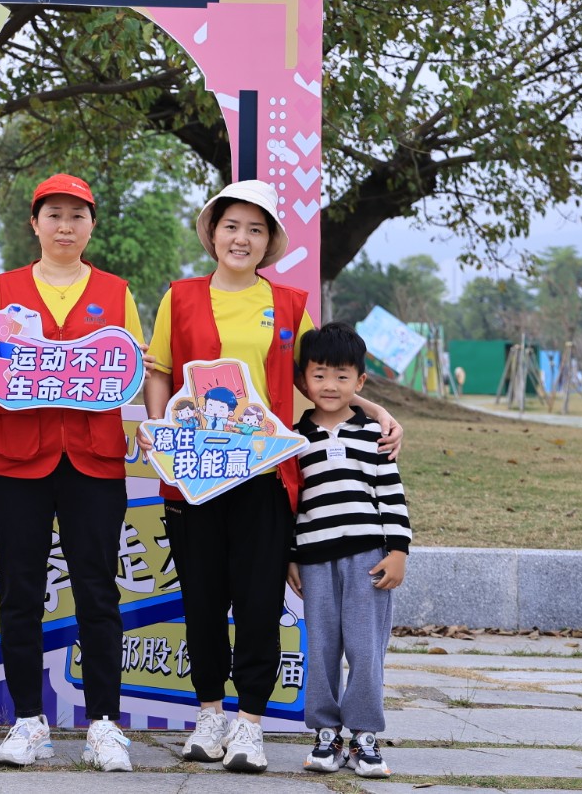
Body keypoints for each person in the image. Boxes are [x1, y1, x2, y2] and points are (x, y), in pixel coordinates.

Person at [142, 179, 402, 773]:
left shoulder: (288, 305)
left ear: (268, 242)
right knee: (202, 600)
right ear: (213, 234)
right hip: (195, 476)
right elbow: (160, 371)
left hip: (265, 478)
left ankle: (250, 723)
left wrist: (376, 410)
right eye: (231, 226)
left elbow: (321, 378)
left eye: (255, 230)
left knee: (260, 603)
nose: (242, 238)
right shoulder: (179, 297)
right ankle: (210, 715)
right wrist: (157, 427)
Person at [0, 173, 145, 772]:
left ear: (92, 225)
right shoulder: (3, 289)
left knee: (97, 589)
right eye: (54, 215)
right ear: (35, 224)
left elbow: (131, 371)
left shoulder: (116, 292)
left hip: (93, 460)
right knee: (20, 589)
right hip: (17, 460)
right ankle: (27, 721)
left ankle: (104, 724)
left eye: (77, 216)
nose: (65, 226)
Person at [287, 322, 410, 778]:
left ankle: (364, 735)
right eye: (319, 374)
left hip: (368, 559)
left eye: (342, 376)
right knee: (320, 647)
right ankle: (325, 733)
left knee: (365, 647)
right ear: (303, 380)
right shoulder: (294, 440)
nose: (330, 385)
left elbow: (391, 495)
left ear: (360, 381)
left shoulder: (374, 434)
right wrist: (291, 555)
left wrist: (398, 550)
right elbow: (291, 504)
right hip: (315, 560)